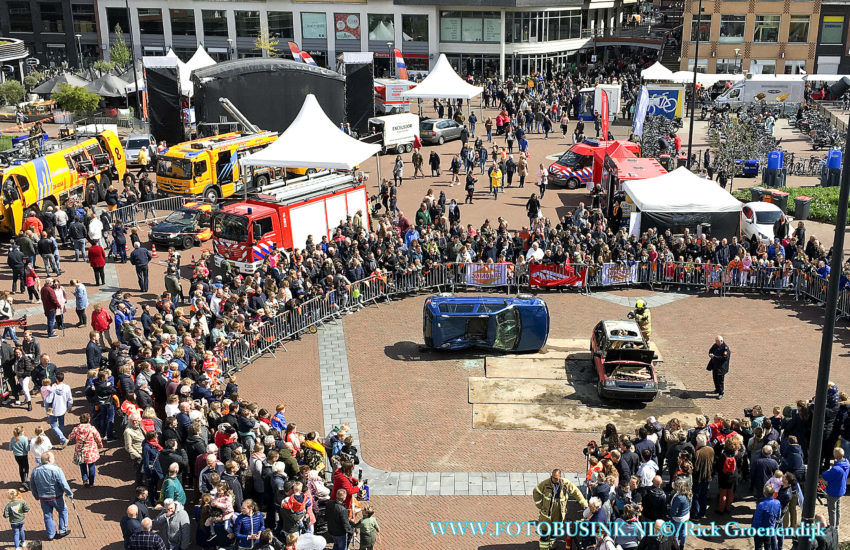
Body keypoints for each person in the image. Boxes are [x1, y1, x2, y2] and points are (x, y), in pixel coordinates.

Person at [533, 469, 586, 550]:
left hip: (559, 512)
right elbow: (536, 491)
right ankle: (543, 548)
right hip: (547, 513)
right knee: (545, 532)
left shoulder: (565, 483)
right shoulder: (545, 484)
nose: (554, 480)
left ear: (560, 477)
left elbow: (575, 491)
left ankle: (552, 545)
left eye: (556, 478)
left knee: (555, 530)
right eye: (553, 477)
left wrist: (583, 502)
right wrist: (539, 504)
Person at [29, 451, 73, 541]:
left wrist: (36, 495)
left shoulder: (35, 470)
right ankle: (62, 530)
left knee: (47, 515)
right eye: (53, 458)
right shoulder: (56, 469)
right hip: (56, 497)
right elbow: (63, 484)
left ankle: (50, 534)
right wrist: (69, 493)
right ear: (49, 459)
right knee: (63, 511)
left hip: (43, 498)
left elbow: (32, 485)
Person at [67, 412, 104, 487]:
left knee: (82, 465)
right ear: (88, 420)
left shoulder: (76, 429)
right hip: (90, 451)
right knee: (91, 466)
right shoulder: (92, 429)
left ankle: (85, 480)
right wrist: (100, 446)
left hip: (80, 450)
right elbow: (98, 438)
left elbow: (70, 437)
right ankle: (91, 482)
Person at [822, 447, 849, 528]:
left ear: (835, 455)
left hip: (833, 491)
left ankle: (832, 528)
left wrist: (828, 470)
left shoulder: (836, 469)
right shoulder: (847, 463)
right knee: (838, 509)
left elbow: (825, 476)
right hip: (841, 490)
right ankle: (836, 526)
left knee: (832, 511)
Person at [45, 371, 72, 445]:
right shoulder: (67, 387)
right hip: (62, 409)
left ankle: (63, 438)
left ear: (56, 379)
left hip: (52, 409)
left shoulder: (53, 388)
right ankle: (61, 440)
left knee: (52, 424)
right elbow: (70, 399)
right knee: (61, 424)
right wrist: (69, 407)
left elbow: (48, 400)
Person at [752, 484, 781, 550]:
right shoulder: (777, 502)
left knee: (758, 547)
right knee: (768, 546)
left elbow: (757, 519)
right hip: (770, 529)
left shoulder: (761, 504)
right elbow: (778, 516)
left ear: (764, 493)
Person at [9, 426, 30, 491]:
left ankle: (22, 480)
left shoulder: (13, 438)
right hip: (23, 455)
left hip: (16, 456)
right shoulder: (25, 438)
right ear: (21, 432)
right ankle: (25, 481)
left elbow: (10, 448)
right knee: (26, 467)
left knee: (21, 467)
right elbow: (27, 448)